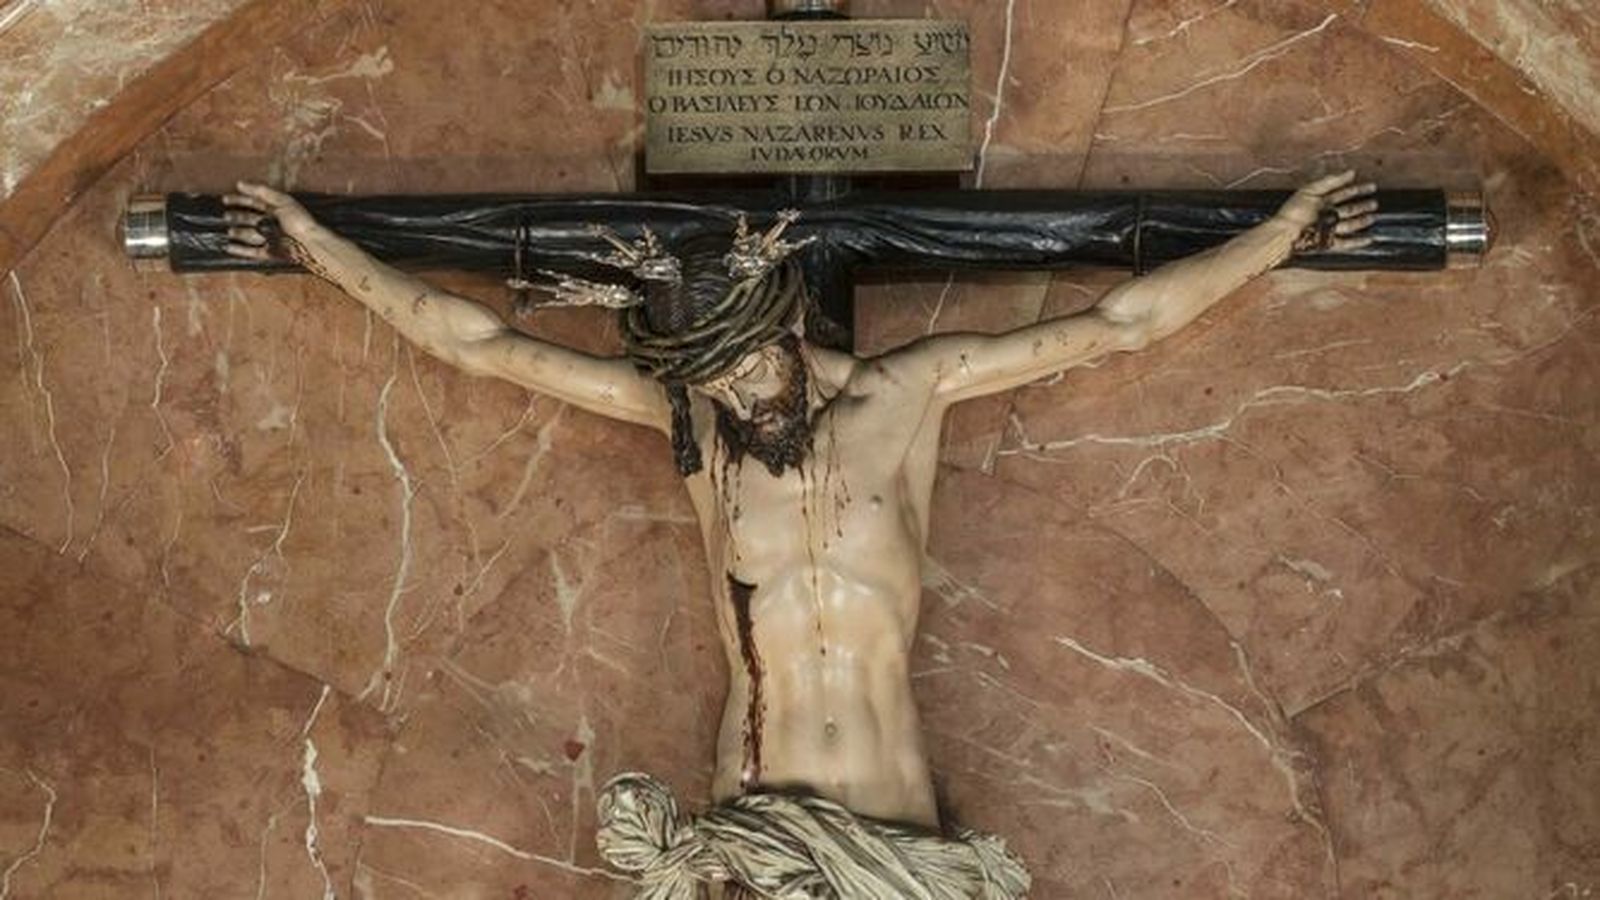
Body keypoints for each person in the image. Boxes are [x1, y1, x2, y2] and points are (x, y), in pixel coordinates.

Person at [223, 171, 1377, 898]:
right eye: (707, 378)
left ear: (780, 329)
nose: (731, 395)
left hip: (894, 844)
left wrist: (1278, 236)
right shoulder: (696, 429)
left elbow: (1120, 323)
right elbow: (475, 342)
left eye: (741, 365)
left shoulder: (907, 395)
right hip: (752, 842)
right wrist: (317, 250)